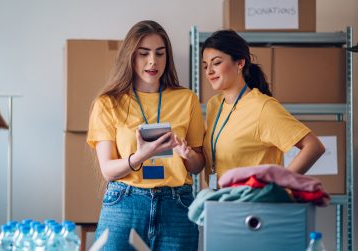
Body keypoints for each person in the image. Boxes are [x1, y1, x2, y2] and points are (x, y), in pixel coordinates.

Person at [87, 20, 205, 250]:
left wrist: (186, 152)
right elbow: (107, 169)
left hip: (176, 205)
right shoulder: (108, 103)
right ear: (130, 57)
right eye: (144, 53)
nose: (153, 61)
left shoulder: (187, 99)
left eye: (160, 54)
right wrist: (138, 157)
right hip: (125, 202)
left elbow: (197, 165)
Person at [201, 30, 325, 190]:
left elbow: (314, 147)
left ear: (240, 63)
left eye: (216, 63)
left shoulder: (263, 108)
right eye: (205, 65)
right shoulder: (214, 105)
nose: (209, 71)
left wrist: (279, 186)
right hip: (218, 201)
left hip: (252, 205)